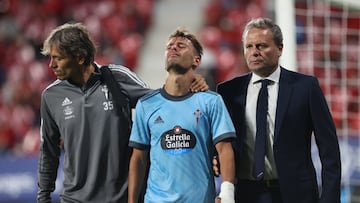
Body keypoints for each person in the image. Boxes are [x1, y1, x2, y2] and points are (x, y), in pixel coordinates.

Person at [37, 22, 208, 203]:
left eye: (58, 58)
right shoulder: (51, 96)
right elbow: (49, 150)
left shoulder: (116, 78)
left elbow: (162, 104)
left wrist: (188, 82)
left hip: (121, 197)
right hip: (74, 199)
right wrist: (43, 196)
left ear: (80, 58)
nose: (51, 65)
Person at [215, 17, 341, 203]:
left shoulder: (305, 87)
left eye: (262, 46)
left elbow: (329, 149)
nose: (254, 52)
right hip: (247, 194)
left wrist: (330, 198)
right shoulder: (228, 91)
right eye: (249, 46)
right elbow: (219, 141)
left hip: (297, 195)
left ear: (280, 48)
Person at [128, 28, 236, 203]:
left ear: (197, 60)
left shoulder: (211, 102)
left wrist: (227, 193)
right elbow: (138, 158)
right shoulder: (146, 105)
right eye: (169, 46)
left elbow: (224, 149)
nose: (173, 48)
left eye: (181, 46)